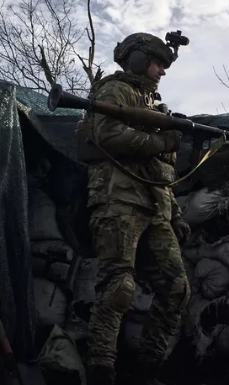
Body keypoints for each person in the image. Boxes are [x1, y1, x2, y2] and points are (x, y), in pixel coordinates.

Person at [77, 33, 191, 385]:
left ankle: (148, 369)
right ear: (139, 60)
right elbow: (108, 135)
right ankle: (102, 370)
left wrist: (174, 213)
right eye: (157, 63)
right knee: (119, 288)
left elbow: (163, 170)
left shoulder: (155, 106)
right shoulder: (115, 92)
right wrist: (161, 141)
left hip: (155, 207)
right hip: (119, 200)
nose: (161, 72)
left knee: (176, 288)